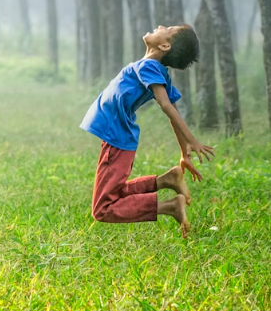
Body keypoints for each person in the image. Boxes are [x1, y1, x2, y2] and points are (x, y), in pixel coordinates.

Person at [80, 25, 216, 238]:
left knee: (103, 208)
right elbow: (173, 108)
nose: (161, 26)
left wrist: (191, 140)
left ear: (164, 45)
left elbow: (167, 105)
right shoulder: (154, 69)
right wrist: (184, 153)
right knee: (114, 193)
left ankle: (170, 207)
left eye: (168, 29)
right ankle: (166, 180)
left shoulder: (150, 67)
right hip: (117, 136)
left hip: (117, 137)